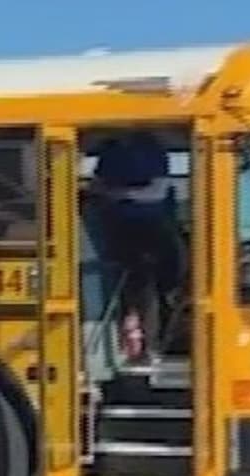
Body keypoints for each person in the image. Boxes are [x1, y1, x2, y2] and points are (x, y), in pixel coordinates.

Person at [84, 131, 183, 363]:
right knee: (124, 284)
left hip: (151, 228)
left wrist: (119, 195)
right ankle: (128, 342)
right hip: (115, 231)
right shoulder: (110, 149)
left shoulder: (152, 149)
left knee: (152, 283)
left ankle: (150, 345)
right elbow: (97, 186)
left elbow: (157, 192)